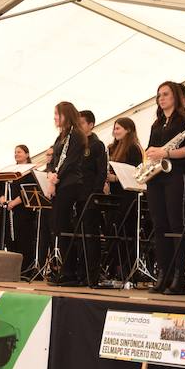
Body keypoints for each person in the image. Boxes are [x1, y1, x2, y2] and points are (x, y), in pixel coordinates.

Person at [144, 81, 185, 295]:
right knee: (159, 227)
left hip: (176, 176)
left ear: (175, 97)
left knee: (177, 227)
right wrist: (151, 154)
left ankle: (179, 277)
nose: (161, 98)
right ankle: (163, 274)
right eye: (159, 95)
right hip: (155, 178)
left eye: (165, 94)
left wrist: (165, 153)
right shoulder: (157, 124)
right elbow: (150, 148)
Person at [45, 101, 87, 285]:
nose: (55, 117)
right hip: (59, 183)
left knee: (65, 227)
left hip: (70, 184)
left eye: (57, 113)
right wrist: (50, 173)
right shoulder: (60, 136)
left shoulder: (76, 135)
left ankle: (70, 271)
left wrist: (55, 178)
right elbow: (54, 159)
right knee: (58, 227)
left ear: (66, 114)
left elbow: (68, 161)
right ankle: (64, 268)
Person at [106, 117, 144, 280]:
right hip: (114, 194)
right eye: (114, 128)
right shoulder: (112, 148)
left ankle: (125, 268)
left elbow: (134, 174)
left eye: (118, 128)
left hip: (127, 195)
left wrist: (114, 178)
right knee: (113, 230)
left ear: (128, 130)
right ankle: (114, 267)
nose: (115, 131)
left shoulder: (133, 149)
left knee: (125, 231)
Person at [77, 110, 108, 285]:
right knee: (79, 236)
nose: (79, 126)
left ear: (90, 125)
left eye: (81, 123)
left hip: (90, 196)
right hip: (77, 195)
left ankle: (92, 275)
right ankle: (80, 273)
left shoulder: (97, 145)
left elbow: (101, 171)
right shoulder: (76, 144)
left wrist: (95, 194)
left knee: (90, 236)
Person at [4, 145, 39, 270]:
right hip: (11, 209)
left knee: (24, 239)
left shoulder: (30, 171)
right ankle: (13, 268)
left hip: (23, 209)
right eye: (15, 152)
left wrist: (14, 202)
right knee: (11, 239)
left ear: (27, 154)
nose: (16, 154)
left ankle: (25, 269)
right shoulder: (12, 170)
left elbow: (28, 190)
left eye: (19, 152)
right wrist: (5, 199)